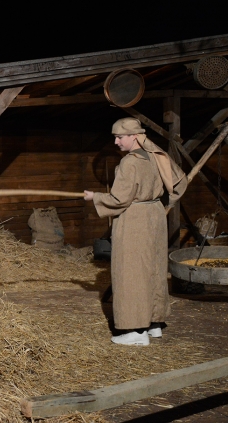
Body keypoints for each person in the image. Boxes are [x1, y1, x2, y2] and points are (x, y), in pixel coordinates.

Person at [84, 118, 187, 346]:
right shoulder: (155, 156)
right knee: (153, 268)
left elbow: (120, 199)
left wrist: (95, 198)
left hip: (135, 220)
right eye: (115, 136)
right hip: (155, 217)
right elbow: (180, 182)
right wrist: (161, 202)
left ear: (134, 136)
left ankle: (135, 331)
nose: (116, 141)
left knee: (131, 272)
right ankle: (154, 325)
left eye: (120, 137)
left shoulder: (130, 163)